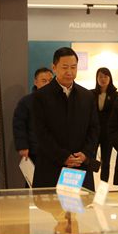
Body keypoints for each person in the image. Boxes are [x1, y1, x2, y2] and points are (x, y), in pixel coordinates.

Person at [32, 47, 99, 190]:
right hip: (51, 165)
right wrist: (63, 156)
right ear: (54, 67)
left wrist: (85, 153)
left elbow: (94, 129)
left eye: (73, 67)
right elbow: (40, 132)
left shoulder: (87, 96)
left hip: (80, 165)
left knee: (81, 202)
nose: (69, 72)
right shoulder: (40, 96)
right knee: (51, 203)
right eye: (65, 67)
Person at [13, 67, 53, 164]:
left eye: (50, 81)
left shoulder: (59, 101)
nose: (48, 84)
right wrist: (22, 146)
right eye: (44, 81)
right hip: (34, 150)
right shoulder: (26, 102)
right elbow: (19, 125)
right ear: (36, 82)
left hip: (56, 151)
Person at [91, 67, 118, 183]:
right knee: (90, 158)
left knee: (106, 161)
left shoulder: (115, 95)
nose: (103, 79)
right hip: (94, 132)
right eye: (100, 77)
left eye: (105, 76)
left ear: (110, 78)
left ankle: (103, 186)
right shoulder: (91, 94)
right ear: (96, 78)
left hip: (108, 133)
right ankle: (89, 184)